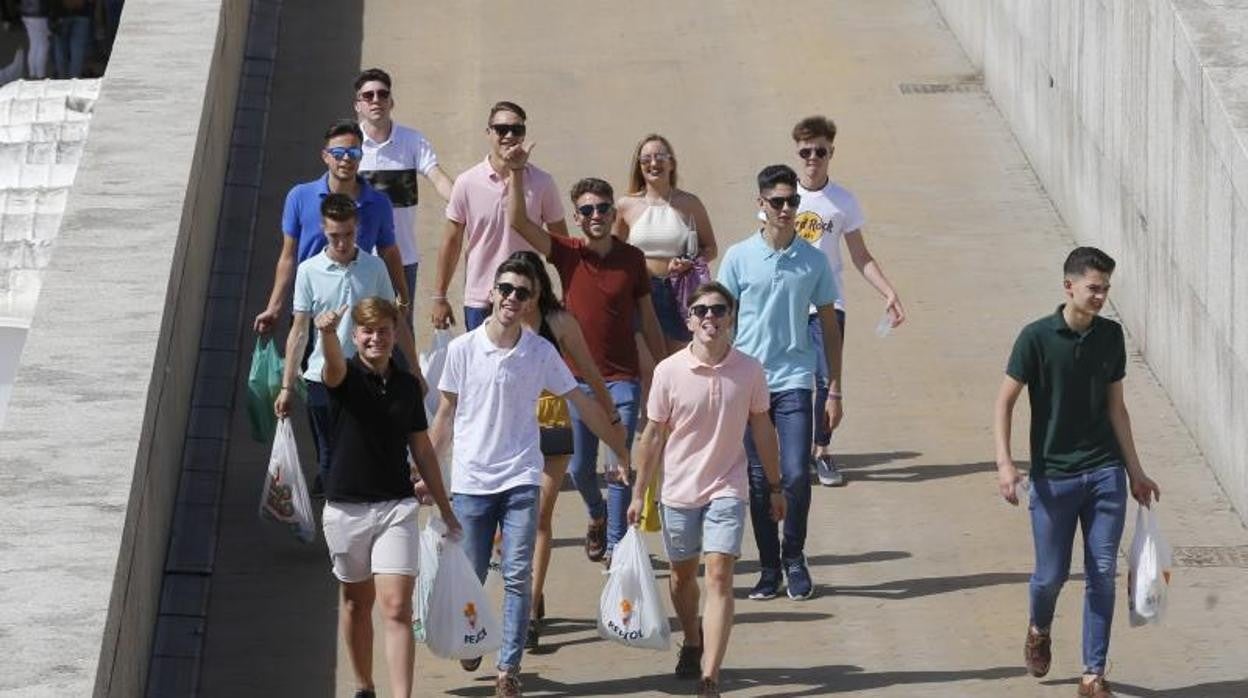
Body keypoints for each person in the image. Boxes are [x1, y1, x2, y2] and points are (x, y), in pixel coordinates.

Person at [430, 258, 630, 697]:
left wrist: (619, 447)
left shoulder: (540, 352)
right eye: (506, 288)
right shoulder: (462, 350)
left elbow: (579, 400)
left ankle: (508, 670)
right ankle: (473, 637)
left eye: (522, 292)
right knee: (473, 572)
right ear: (491, 292)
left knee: (518, 576)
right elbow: (445, 416)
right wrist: (424, 471)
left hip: (521, 476)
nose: (511, 298)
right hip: (471, 482)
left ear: (531, 300)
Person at [994, 247, 1160, 698]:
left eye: (1106, 288)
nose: (1101, 296)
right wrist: (1006, 464)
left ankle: (1093, 674)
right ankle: (1038, 626)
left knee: (1102, 572)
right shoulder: (1035, 338)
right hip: (1053, 478)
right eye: (1094, 288)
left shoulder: (1110, 337)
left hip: (1105, 473)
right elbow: (1004, 402)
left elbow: (1117, 408)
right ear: (1069, 286)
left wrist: (1135, 471)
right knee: (1050, 576)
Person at [628, 282, 784, 698]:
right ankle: (693, 641)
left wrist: (775, 485)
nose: (709, 318)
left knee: (719, 574)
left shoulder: (750, 369)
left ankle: (710, 675)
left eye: (718, 310)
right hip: (678, 489)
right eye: (701, 311)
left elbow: (763, 428)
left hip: (726, 486)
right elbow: (653, 435)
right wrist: (639, 492)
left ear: (731, 317)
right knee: (682, 577)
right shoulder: (669, 371)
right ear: (689, 319)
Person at [506, 157, 664, 566]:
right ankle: (595, 516)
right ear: (577, 218)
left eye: (603, 208)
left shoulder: (631, 259)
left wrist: (663, 369)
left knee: (618, 468)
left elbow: (646, 316)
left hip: (622, 380)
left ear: (614, 212)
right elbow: (520, 223)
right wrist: (517, 172)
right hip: (573, 382)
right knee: (579, 470)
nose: (596, 216)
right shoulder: (567, 253)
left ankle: (615, 545)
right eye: (588, 210)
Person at [314, 296, 460, 698]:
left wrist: (446, 509)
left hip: (396, 506)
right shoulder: (343, 375)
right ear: (356, 336)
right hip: (345, 509)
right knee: (356, 604)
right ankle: (364, 685)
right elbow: (331, 366)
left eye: (383, 330)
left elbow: (423, 449)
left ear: (396, 334)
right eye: (367, 331)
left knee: (396, 607)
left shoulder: (407, 385)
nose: (375, 338)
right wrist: (326, 333)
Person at [718, 164, 843, 601]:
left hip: (794, 381)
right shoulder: (737, 257)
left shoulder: (813, 260)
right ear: (761, 205)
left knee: (793, 474)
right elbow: (719, 321)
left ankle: (794, 557)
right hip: (749, 385)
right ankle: (769, 567)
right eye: (778, 202)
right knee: (757, 478)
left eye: (792, 201)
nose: (786, 208)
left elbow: (829, 326)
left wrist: (835, 387)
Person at [499, 250, 619, 650]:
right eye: (512, 290)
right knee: (506, 526)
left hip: (552, 424)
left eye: (526, 291)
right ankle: (526, 589)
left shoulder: (559, 323)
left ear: (538, 290)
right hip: (509, 429)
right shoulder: (496, 325)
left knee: (538, 517)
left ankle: (529, 611)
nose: (519, 299)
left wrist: (612, 417)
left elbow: (588, 369)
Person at [789, 115, 906, 486]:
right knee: (791, 381)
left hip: (827, 303)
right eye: (805, 151)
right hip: (787, 303)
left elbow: (860, 255)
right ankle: (795, 453)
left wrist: (888, 291)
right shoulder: (783, 195)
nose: (812, 158)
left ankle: (821, 450)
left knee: (827, 379)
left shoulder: (842, 201)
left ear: (831, 153)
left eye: (819, 151)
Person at [274, 193, 418, 492]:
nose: (342, 243)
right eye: (334, 236)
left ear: (358, 229)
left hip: (369, 377)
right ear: (323, 231)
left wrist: (415, 371)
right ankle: (336, 522)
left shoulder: (375, 268)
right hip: (322, 379)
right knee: (329, 457)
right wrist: (287, 387)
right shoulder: (308, 271)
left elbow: (394, 321)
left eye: (349, 235)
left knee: (371, 451)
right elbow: (299, 331)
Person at [253, 119, 410, 336]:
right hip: (309, 310)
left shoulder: (379, 203)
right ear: (325, 156)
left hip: (357, 316)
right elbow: (288, 257)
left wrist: (403, 297)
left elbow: (389, 251)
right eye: (338, 153)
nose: (346, 159)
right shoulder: (299, 197)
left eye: (353, 153)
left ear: (361, 155)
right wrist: (274, 307)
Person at [430, 101, 567, 332]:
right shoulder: (467, 182)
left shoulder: (543, 183)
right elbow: (451, 242)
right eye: (502, 129)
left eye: (517, 130)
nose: (509, 135)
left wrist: (567, 295)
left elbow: (562, 246)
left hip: (527, 299)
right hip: (480, 299)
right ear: (489, 133)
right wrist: (439, 297)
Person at [353, 67, 455, 322]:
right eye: (368, 96)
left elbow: (437, 177)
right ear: (358, 105)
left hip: (403, 259)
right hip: (357, 259)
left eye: (382, 94)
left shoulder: (413, 141)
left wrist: (462, 202)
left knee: (400, 330)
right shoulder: (349, 145)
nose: (376, 100)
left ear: (391, 101)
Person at [614, 133, 717, 358]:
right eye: (646, 159)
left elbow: (710, 248)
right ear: (639, 165)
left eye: (660, 157)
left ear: (671, 163)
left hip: (679, 290)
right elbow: (614, 253)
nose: (654, 164)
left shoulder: (690, 203)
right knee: (647, 364)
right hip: (641, 292)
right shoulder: (625, 205)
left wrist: (688, 263)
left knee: (680, 360)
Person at [50, 0, 91, 79]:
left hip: (61, 14)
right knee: (78, 50)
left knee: (60, 50)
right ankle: (74, 80)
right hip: (82, 14)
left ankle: (63, 79)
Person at [18, 0, 49, 79]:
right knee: (43, 45)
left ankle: (32, 73)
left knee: (33, 44)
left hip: (26, 12)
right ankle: (41, 74)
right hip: (39, 13)